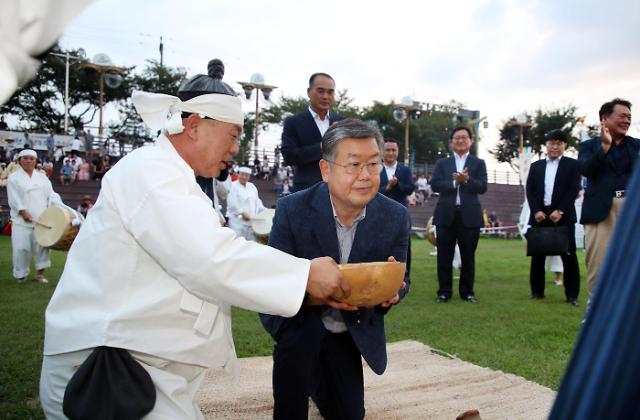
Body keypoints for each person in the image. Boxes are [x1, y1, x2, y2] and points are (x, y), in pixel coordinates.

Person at [39, 59, 351, 420]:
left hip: (140, 359)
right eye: (233, 135)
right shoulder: (151, 172)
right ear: (193, 126)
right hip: (107, 363)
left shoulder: (173, 178)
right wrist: (305, 275)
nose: (236, 149)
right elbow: (208, 258)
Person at [260, 119, 410, 420]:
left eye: (373, 164)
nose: (365, 176)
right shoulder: (292, 210)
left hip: (348, 329)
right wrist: (315, 293)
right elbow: (274, 285)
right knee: (298, 347)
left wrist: (393, 291)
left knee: (348, 414)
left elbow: (403, 280)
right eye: (353, 165)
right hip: (300, 321)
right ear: (326, 170)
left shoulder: (395, 216)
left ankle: (321, 381)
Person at [579, 98, 639, 297]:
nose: (627, 121)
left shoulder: (636, 146)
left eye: (629, 117)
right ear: (605, 119)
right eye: (622, 116)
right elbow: (587, 170)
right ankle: (594, 316)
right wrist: (604, 148)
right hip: (601, 212)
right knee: (598, 266)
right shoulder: (589, 146)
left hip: (632, 210)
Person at [432, 126, 487, 303]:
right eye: (457, 138)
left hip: (469, 216)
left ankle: (467, 292)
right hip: (446, 214)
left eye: (464, 137)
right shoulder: (442, 163)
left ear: (470, 141)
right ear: (451, 142)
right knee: (443, 256)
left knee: (468, 256)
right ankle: (444, 292)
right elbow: (435, 185)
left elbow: (482, 187)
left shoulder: (478, 163)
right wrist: (455, 182)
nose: (461, 140)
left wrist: (467, 180)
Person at [525, 129, 581, 305]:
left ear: (565, 146)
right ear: (546, 145)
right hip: (540, 215)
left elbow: (574, 189)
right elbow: (530, 190)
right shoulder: (536, 166)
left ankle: (572, 295)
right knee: (537, 255)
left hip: (563, 216)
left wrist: (561, 210)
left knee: (569, 255)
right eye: (551, 143)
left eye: (559, 143)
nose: (554, 147)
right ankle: (537, 292)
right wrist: (536, 211)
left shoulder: (572, 165)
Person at [7, 149, 64, 283]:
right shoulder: (13, 178)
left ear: (35, 161)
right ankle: (21, 274)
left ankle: (40, 274)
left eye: (31, 159)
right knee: (21, 248)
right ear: (20, 160)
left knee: (42, 248)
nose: (28, 161)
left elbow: (52, 195)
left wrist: (60, 205)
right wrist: (22, 211)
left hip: (42, 219)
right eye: (25, 158)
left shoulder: (42, 178)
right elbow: (14, 198)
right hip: (22, 220)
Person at [281, 72, 344, 192]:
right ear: (309, 92)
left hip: (339, 189)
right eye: (320, 91)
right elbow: (289, 156)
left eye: (330, 92)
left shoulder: (342, 122)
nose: (325, 96)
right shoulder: (293, 122)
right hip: (306, 190)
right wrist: (321, 147)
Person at [226, 167, 265, 240]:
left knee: (250, 245)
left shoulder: (252, 186)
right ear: (238, 174)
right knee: (238, 243)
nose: (244, 177)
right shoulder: (232, 186)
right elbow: (232, 203)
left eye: (246, 175)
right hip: (237, 221)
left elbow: (257, 201)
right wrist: (241, 212)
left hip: (251, 221)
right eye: (242, 174)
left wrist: (264, 211)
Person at [379, 138, 415, 206]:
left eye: (394, 150)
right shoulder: (376, 170)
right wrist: (387, 187)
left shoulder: (405, 170)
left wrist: (397, 184)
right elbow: (371, 192)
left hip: (400, 210)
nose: (391, 153)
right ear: (382, 151)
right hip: (379, 210)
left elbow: (410, 190)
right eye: (388, 150)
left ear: (398, 151)